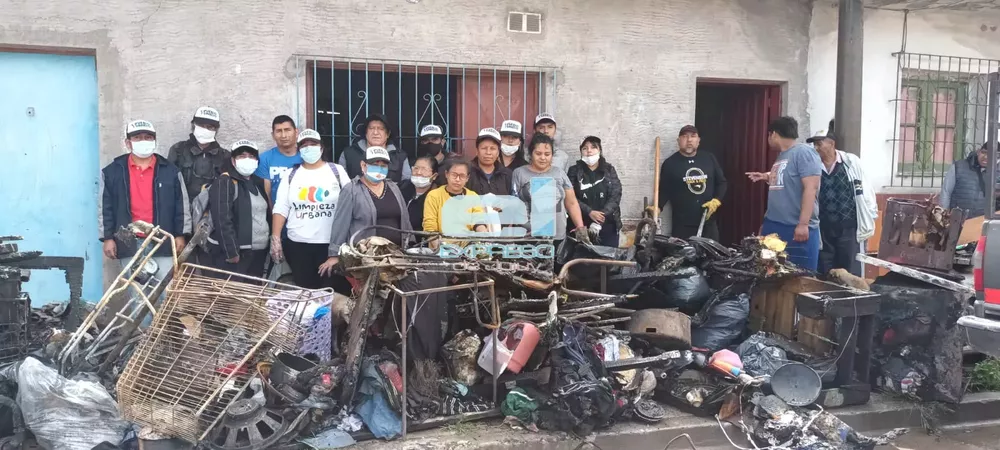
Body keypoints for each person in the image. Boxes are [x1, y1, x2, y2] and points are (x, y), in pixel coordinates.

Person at [101, 120, 191, 280]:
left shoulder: (170, 171)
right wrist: (107, 238)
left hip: (163, 241)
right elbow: (104, 207)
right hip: (129, 242)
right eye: (138, 138)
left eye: (148, 137)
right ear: (128, 143)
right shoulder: (112, 172)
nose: (144, 141)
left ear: (155, 141)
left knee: (166, 293)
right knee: (138, 297)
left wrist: (180, 235)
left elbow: (182, 205)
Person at [271, 129, 349, 290]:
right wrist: (276, 238)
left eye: (313, 144)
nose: (309, 148)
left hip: (331, 245)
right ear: (299, 150)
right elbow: (281, 207)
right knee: (306, 292)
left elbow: (349, 204)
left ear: (321, 147)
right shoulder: (291, 174)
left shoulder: (336, 171)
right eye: (304, 145)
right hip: (298, 245)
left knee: (333, 291)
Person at [747, 117, 823, 271]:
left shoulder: (804, 152)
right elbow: (787, 180)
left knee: (800, 278)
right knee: (771, 275)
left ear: (773, 134)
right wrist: (767, 176)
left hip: (795, 229)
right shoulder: (783, 155)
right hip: (776, 225)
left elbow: (811, 188)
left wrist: (803, 224)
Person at [807, 124, 878, 276]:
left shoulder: (851, 162)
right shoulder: (813, 166)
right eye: (814, 144)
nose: (816, 148)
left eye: (819, 144)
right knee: (825, 269)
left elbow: (865, 189)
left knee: (850, 268)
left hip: (848, 227)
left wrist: (870, 216)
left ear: (832, 144)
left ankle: (852, 299)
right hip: (824, 227)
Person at [206, 139, 270, 277]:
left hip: (257, 254)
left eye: (251, 156)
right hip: (236, 256)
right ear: (233, 161)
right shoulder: (225, 181)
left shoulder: (258, 183)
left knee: (253, 295)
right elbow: (222, 218)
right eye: (241, 156)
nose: (247, 159)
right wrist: (231, 252)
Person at [512, 133, 589, 245]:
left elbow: (571, 203)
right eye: (538, 153)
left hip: (558, 235)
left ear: (552, 155)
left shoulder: (559, 173)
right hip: (530, 237)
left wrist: (580, 228)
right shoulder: (519, 173)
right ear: (530, 154)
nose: (543, 158)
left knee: (558, 262)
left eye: (547, 154)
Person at [657, 125, 728, 241]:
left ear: (698, 140)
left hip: (708, 223)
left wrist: (716, 200)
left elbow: (722, 183)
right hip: (682, 226)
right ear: (678, 141)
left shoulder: (709, 158)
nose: (689, 140)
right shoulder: (670, 164)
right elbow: (664, 191)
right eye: (684, 136)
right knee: (684, 257)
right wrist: (657, 207)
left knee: (712, 257)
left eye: (693, 136)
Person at [567, 136, 623, 247]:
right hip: (580, 224)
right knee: (581, 260)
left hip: (607, 224)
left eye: (593, 147)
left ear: (599, 150)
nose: (589, 151)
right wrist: (589, 212)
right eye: (585, 148)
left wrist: (601, 216)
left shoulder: (609, 170)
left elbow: (616, 194)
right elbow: (570, 198)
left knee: (608, 260)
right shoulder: (574, 171)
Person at [168, 106, 229, 201]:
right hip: (183, 208)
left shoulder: (225, 156)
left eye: (210, 127)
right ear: (193, 125)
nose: (205, 129)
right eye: (201, 125)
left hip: (212, 210)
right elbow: (169, 184)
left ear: (216, 130)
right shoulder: (178, 150)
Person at [338, 113, 410, 182]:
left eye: (381, 129)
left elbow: (406, 182)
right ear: (366, 133)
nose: (375, 132)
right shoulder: (349, 153)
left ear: (388, 134)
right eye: (371, 128)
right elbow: (341, 183)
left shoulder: (400, 156)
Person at [940, 142, 998, 218]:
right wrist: (944, 214)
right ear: (978, 151)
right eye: (984, 152)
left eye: (991, 154)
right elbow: (946, 192)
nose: (986, 157)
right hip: (957, 220)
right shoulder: (959, 167)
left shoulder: (997, 173)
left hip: (982, 222)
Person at [254, 115, 301, 202]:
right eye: (279, 131)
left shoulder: (306, 157)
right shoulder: (264, 159)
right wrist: (273, 215)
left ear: (296, 132)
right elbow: (265, 195)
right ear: (273, 135)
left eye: (287, 130)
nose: (283, 135)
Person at [467, 128, 513, 196]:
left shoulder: (506, 174)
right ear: (477, 151)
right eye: (484, 148)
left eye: (492, 148)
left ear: (498, 152)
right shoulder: (467, 172)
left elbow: (511, 201)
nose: (488, 152)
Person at [398, 156, 439, 231]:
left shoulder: (437, 196)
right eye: (416, 168)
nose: (419, 173)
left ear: (434, 176)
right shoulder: (401, 188)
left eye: (424, 169)